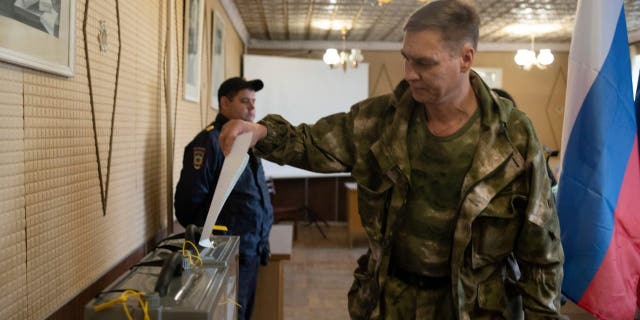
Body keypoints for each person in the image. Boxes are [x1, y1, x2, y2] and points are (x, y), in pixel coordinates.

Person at [220, 1, 564, 319]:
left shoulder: (513, 137)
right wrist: (261, 133)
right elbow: (312, 142)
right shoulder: (381, 120)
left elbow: (541, 254)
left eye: (424, 63)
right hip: (390, 303)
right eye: (407, 58)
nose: (409, 73)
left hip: (476, 309)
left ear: (466, 58)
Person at [174, 77, 273, 320]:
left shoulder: (246, 139)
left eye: (253, 102)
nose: (251, 108)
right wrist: (213, 241)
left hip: (251, 249)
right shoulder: (210, 142)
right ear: (224, 103)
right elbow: (188, 206)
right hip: (227, 255)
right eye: (244, 101)